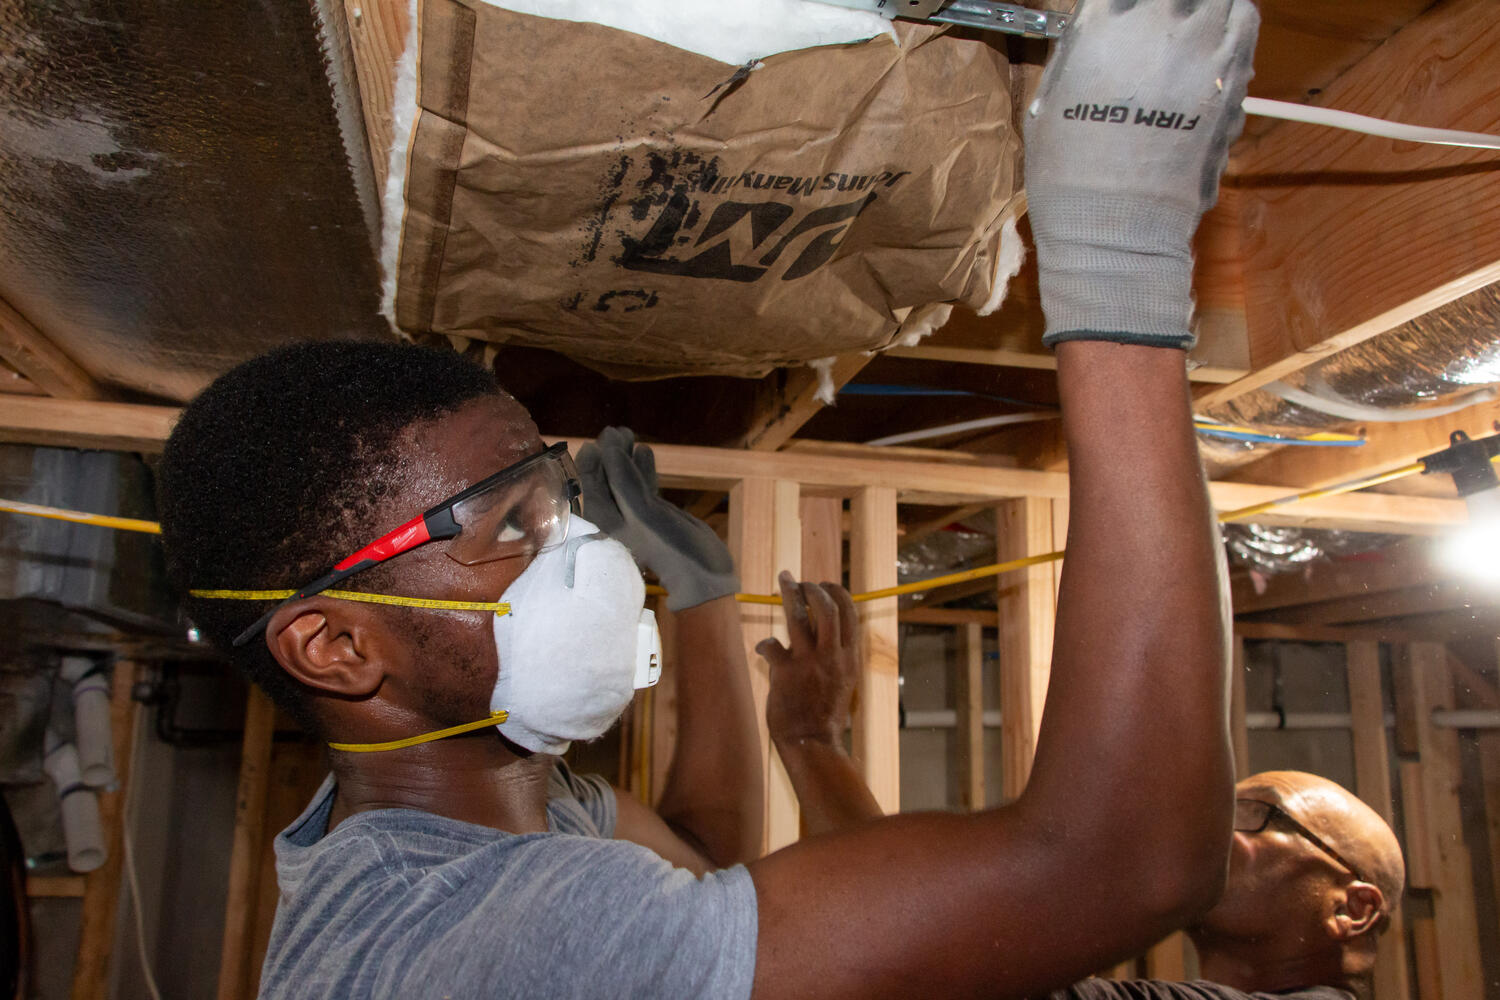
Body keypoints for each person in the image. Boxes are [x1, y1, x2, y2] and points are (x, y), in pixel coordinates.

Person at [155, 0, 1260, 996]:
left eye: (556, 495)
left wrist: (702, 597)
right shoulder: (466, 945)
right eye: (514, 525)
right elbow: (1126, 862)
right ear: (335, 647)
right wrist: (1120, 247)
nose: (579, 551)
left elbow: (695, 846)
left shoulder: (471, 822)